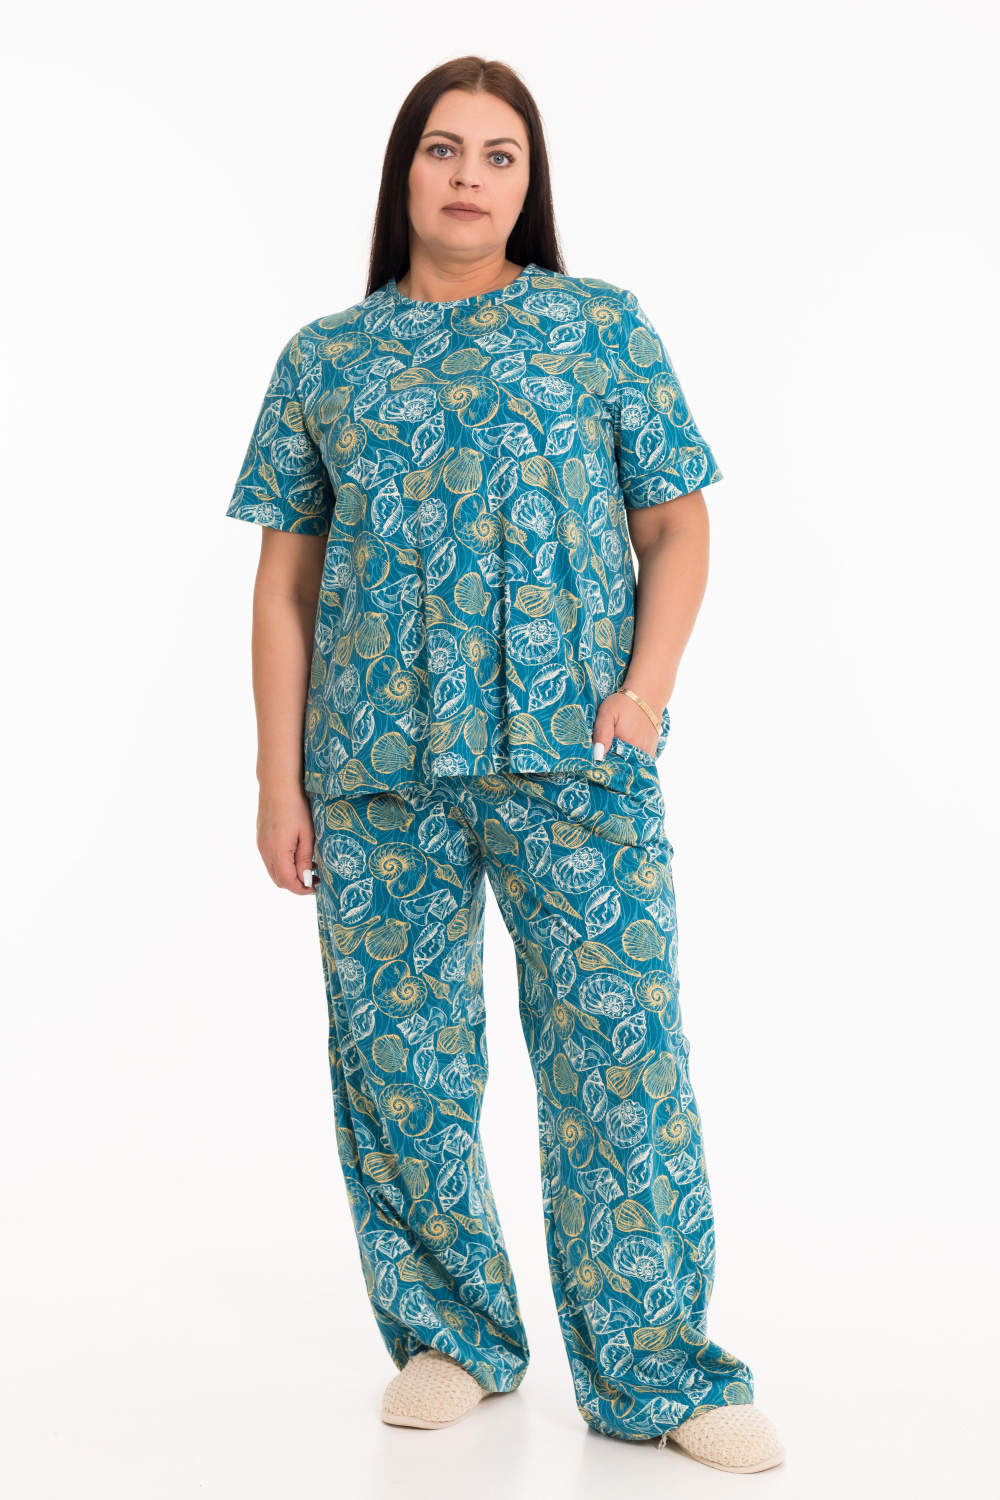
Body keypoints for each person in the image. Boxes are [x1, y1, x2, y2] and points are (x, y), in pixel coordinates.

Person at [225, 55, 785, 1475]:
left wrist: (645, 695)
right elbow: (285, 585)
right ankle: (453, 1337)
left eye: (499, 154)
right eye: (442, 148)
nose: (468, 175)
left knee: (620, 1057)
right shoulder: (323, 361)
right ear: (404, 171)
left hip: (575, 758)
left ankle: (656, 1371)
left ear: (530, 183)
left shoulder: (600, 328)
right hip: (374, 769)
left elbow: (679, 524)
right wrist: (279, 780)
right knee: (401, 1065)